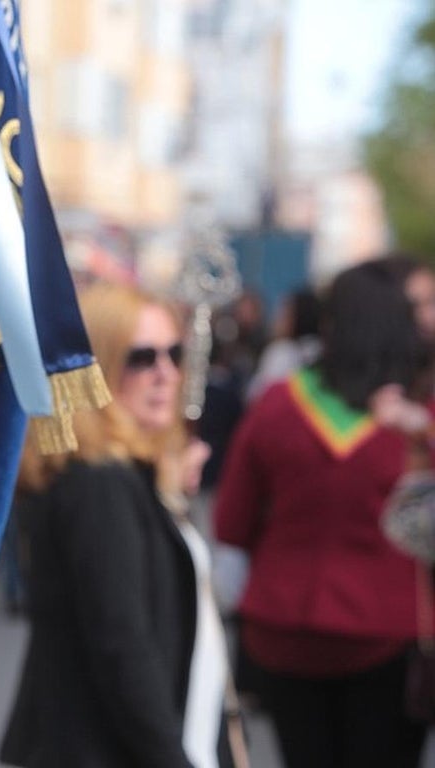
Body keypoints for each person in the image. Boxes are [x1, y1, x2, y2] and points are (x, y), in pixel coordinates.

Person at [214, 257, 434, 768]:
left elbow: (231, 524)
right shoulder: (416, 422)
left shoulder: (276, 404)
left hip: (283, 630)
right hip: (388, 634)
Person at [0, 282, 227, 768]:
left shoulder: (121, 473)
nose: (166, 373)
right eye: (142, 358)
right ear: (98, 369)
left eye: (174, 353)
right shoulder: (98, 484)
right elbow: (122, 645)